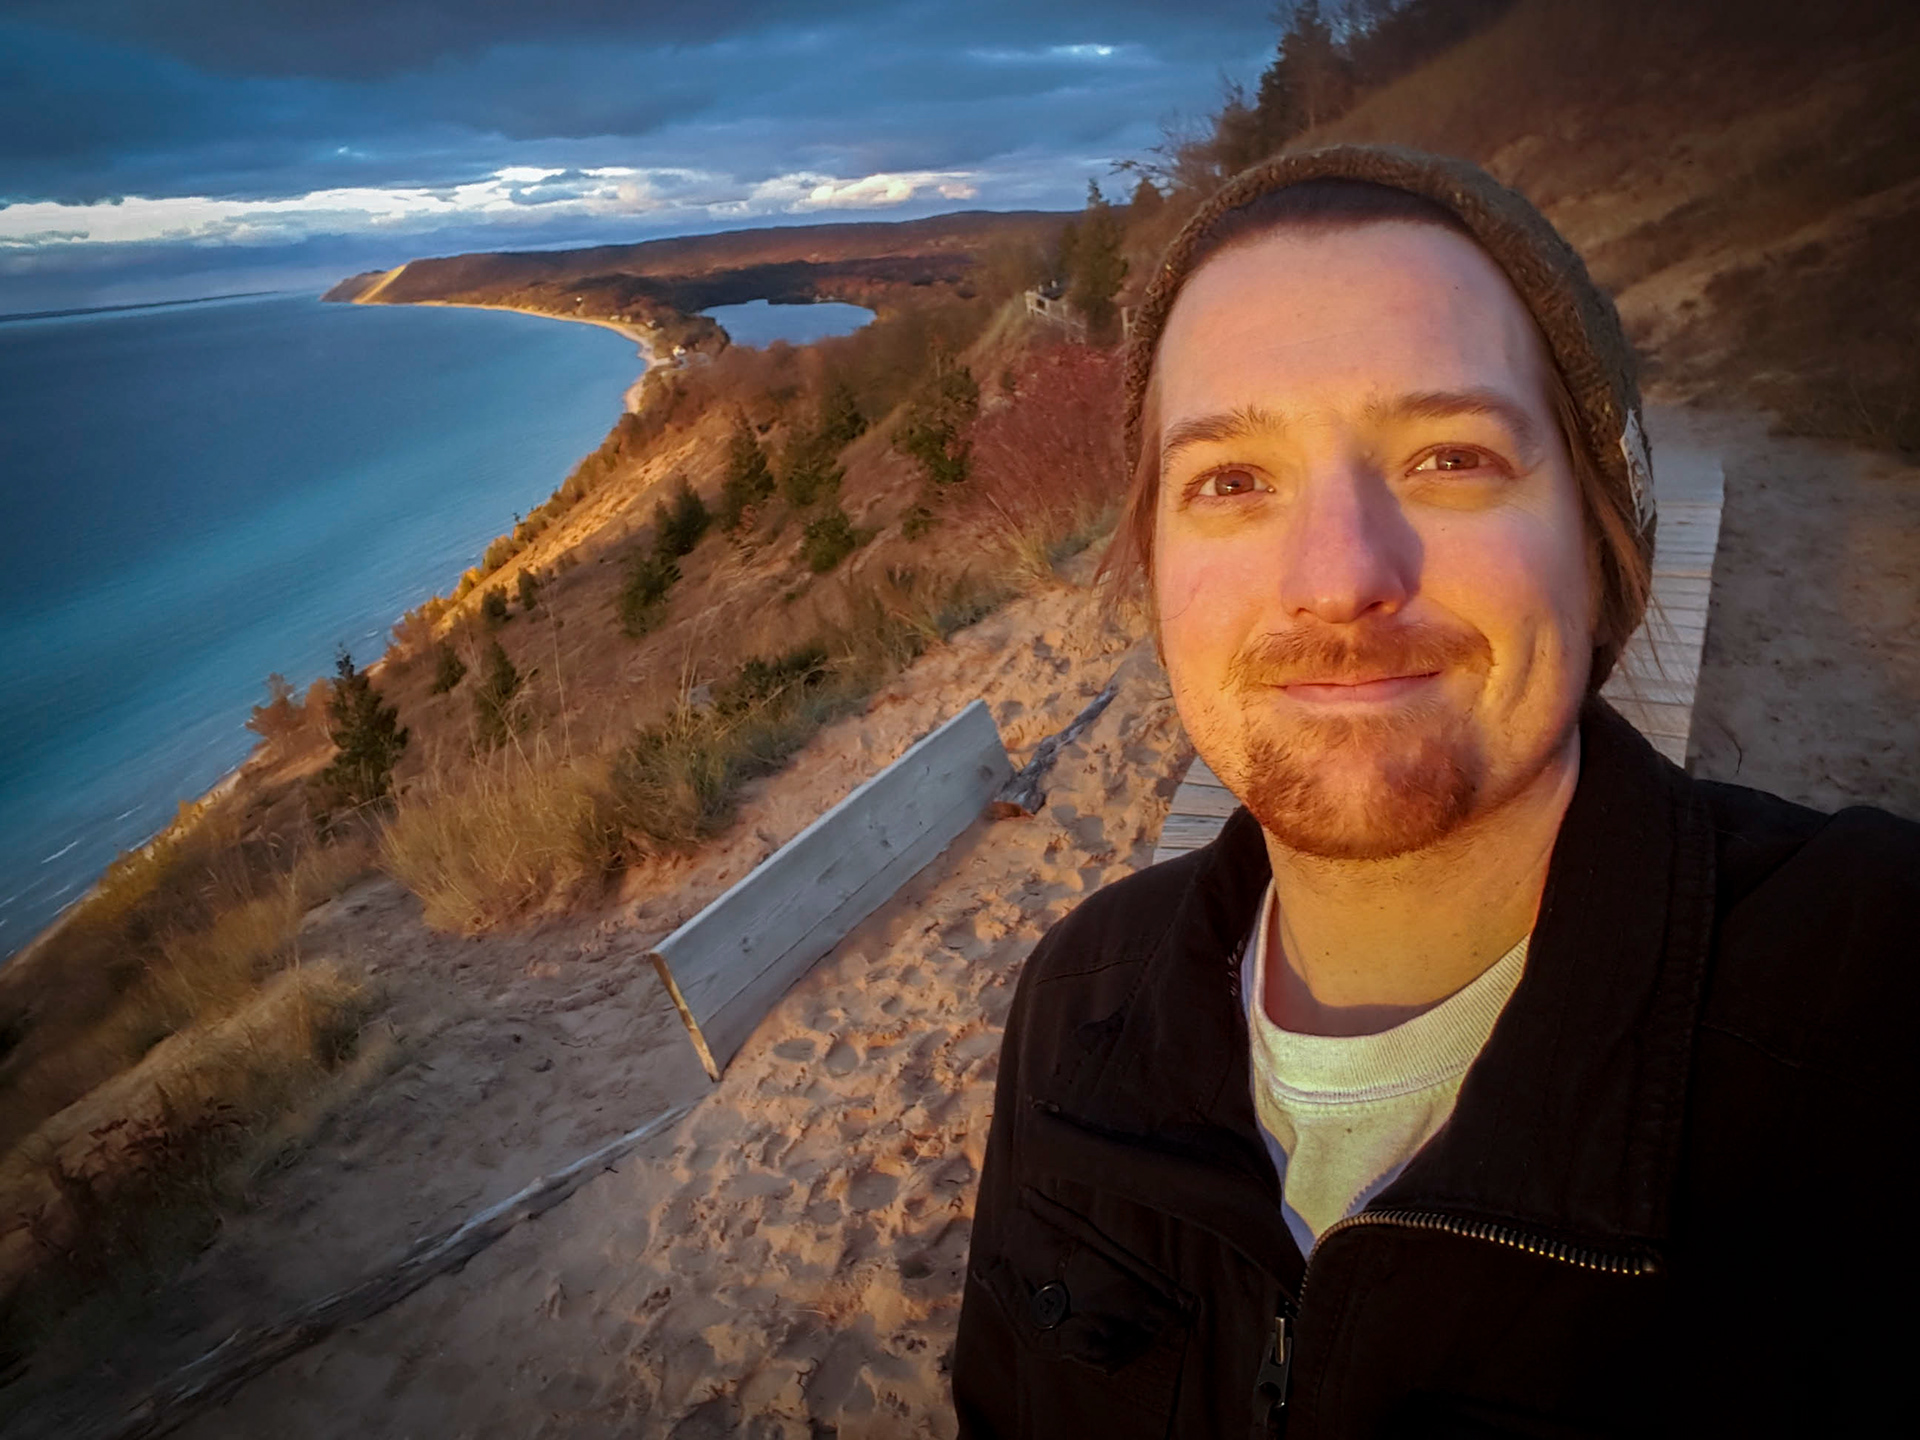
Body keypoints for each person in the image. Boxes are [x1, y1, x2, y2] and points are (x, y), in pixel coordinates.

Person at [951, 144, 1919, 1438]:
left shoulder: (1872, 1001)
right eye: (1231, 481)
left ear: (1599, 543)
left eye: (1451, 457)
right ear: (1156, 567)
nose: (1341, 577)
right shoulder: (1078, 1005)